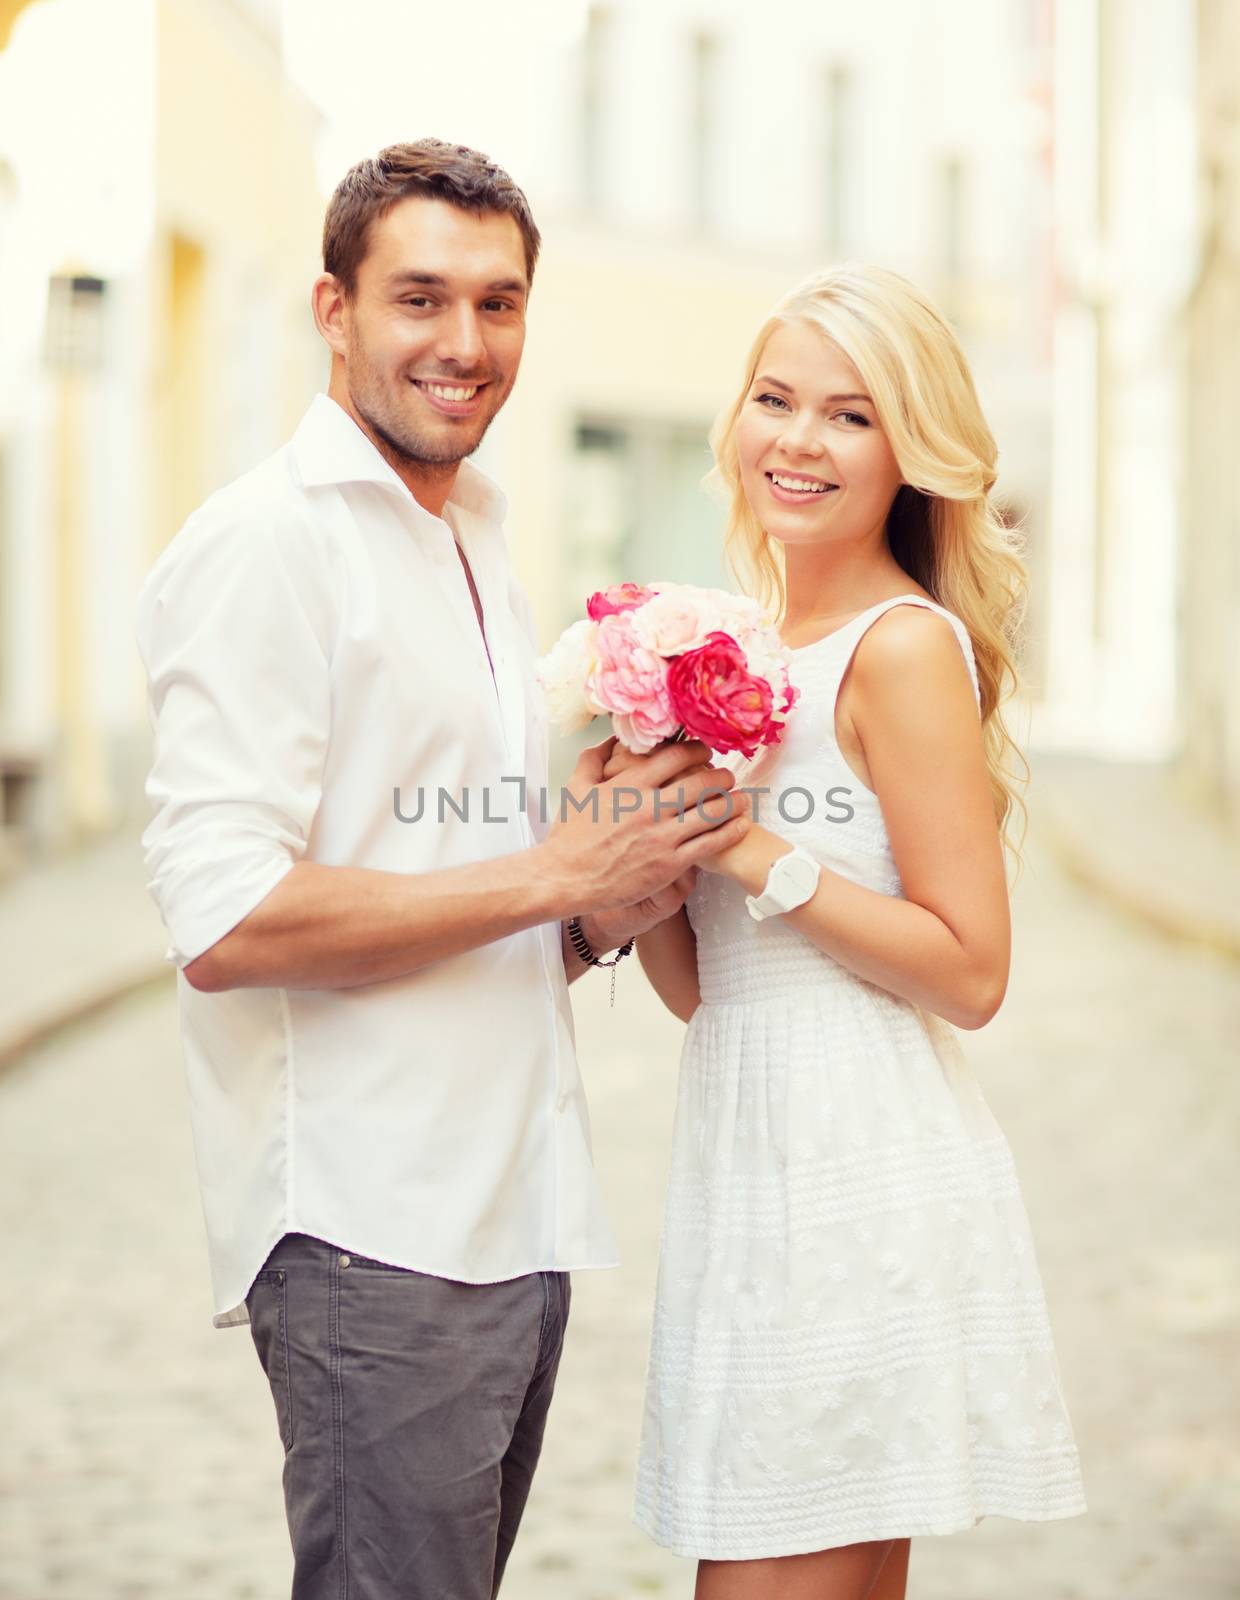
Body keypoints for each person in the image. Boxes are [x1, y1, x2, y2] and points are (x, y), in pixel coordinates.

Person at [134, 138, 748, 1600]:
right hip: (373, 1231)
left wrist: (604, 901)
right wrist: (547, 877)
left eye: (500, 302)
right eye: (420, 298)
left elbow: (458, 887)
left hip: (509, 1214)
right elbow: (222, 915)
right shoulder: (267, 548)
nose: (464, 345)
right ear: (332, 310)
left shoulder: (472, 537)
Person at [619, 263, 1087, 1598]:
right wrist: (652, 834)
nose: (799, 441)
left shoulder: (898, 648)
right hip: (749, 1156)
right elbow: (714, 994)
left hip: (857, 1174)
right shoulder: (745, 650)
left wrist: (756, 848)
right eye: (775, 400)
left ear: (908, 453)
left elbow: (974, 970)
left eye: (849, 415)